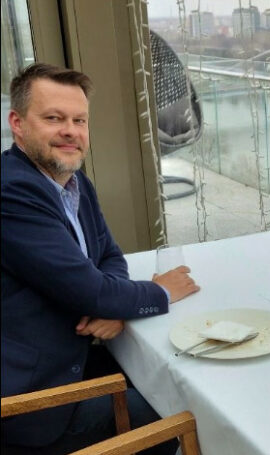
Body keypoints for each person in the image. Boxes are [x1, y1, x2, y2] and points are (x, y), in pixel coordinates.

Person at [1, 63, 200, 453]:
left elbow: (108, 255)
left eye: (79, 120)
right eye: (53, 118)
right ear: (18, 124)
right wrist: (160, 292)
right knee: (177, 413)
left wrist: (111, 305)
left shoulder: (73, 182)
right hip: (34, 403)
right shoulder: (12, 192)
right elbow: (92, 287)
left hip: (72, 358)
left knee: (171, 377)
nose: (70, 131)